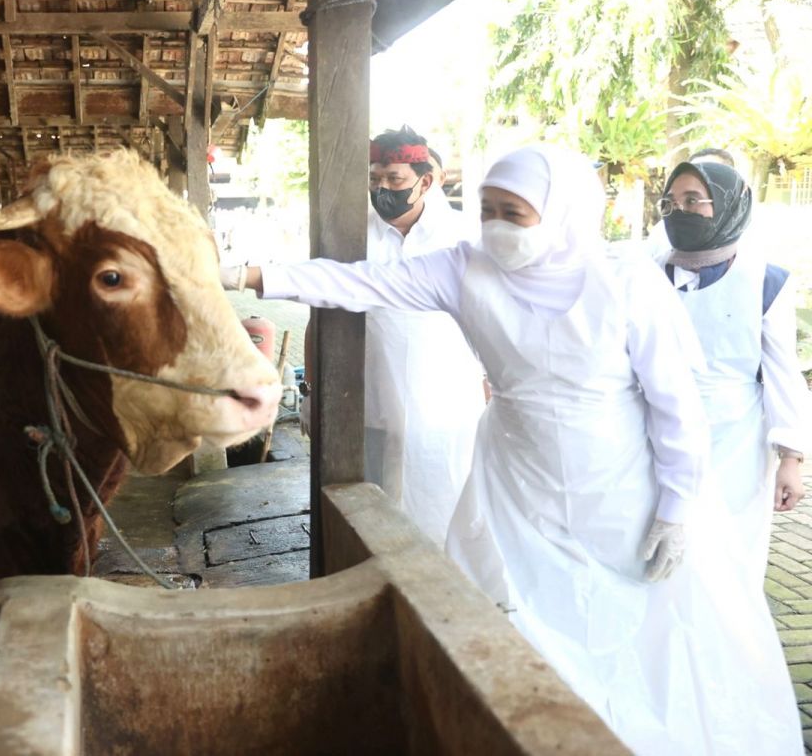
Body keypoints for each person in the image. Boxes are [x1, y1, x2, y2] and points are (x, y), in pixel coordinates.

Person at [223, 144, 799, 753]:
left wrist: (677, 507)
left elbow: (675, 407)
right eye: (487, 209)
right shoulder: (465, 269)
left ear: (562, 211)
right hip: (515, 484)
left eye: (513, 213)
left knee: (647, 633)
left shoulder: (626, 281)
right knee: (521, 617)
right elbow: (359, 282)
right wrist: (247, 275)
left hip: (622, 485)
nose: (496, 226)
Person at [656, 160, 809, 585]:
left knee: (727, 557)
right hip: (656, 432)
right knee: (662, 550)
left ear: (729, 207)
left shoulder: (765, 281)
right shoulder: (647, 273)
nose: (679, 211)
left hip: (735, 440)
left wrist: (791, 459)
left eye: (693, 201)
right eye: (670, 202)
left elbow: (782, 373)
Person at [354, 127, 484, 546]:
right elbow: (324, 308)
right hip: (372, 395)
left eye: (395, 180)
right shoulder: (354, 233)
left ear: (425, 181)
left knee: (446, 504)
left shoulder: (463, 237)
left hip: (448, 401)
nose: (383, 189)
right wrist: (311, 389)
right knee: (374, 509)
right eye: (376, 179)